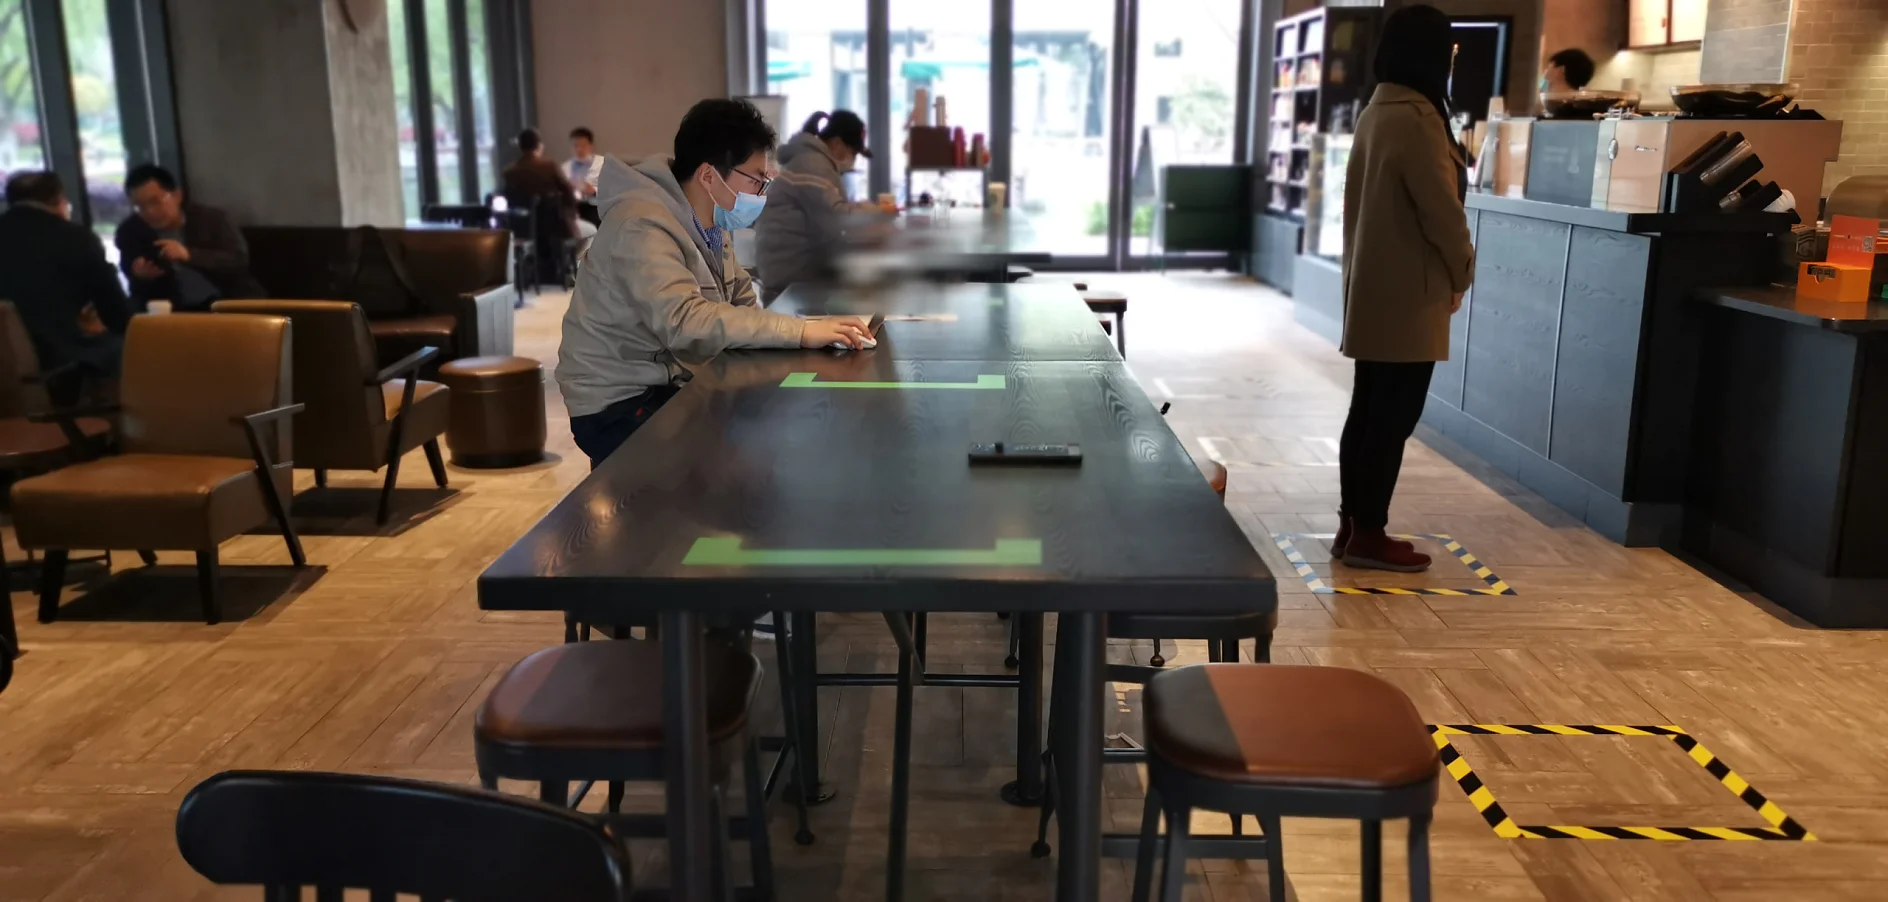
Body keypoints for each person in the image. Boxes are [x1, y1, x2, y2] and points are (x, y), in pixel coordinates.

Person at [556, 98, 870, 469]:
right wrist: (801, 331)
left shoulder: (709, 220)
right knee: (735, 467)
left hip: (669, 378)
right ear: (708, 175)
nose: (760, 192)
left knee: (767, 435)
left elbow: (739, 298)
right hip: (619, 400)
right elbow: (686, 321)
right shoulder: (641, 224)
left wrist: (787, 337)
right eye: (756, 178)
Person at [1335, 3, 1474, 572]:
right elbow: (1442, 214)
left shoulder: (1377, 111)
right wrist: (1463, 271)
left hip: (1373, 289)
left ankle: (1352, 525)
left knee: (1368, 410)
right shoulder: (1417, 119)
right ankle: (1369, 533)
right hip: (1410, 294)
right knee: (1392, 418)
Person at [0, 171, 132, 400]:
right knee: (130, 348)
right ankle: (122, 429)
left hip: (7, 364)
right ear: (58, 199)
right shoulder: (75, 238)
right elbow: (117, 314)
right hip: (56, 358)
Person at [753, 110, 891, 301]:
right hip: (792, 286)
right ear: (836, 143)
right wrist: (873, 214)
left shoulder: (809, 161)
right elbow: (839, 223)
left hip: (790, 279)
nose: (853, 159)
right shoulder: (813, 165)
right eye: (852, 152)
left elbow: (825, 216)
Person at [114, 164, 264, 311]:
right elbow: (130, 273)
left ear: (177, 196)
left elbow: (239, 260)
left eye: (155, 202)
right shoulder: (130, 231)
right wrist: (140, 275)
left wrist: (189, 255)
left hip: (228, 303)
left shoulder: (211, 219)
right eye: (140, 207)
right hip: (172, 312)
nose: (150, 212)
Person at [502, 127, 590, 240]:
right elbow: (568, 193)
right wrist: (572, 215)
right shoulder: (549, 166)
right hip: (554, 230)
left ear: (520, 147)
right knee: (591, 231)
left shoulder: (509, 172)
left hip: (522, 231)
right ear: (539, 146)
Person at [567, 127, 603, 199]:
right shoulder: (565, 167)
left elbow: (611, 188)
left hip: (596, 204)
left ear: (591, 146)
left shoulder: (602, 163)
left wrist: (594, 190)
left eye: (583, 145)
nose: (579, 149)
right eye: (575, 146)